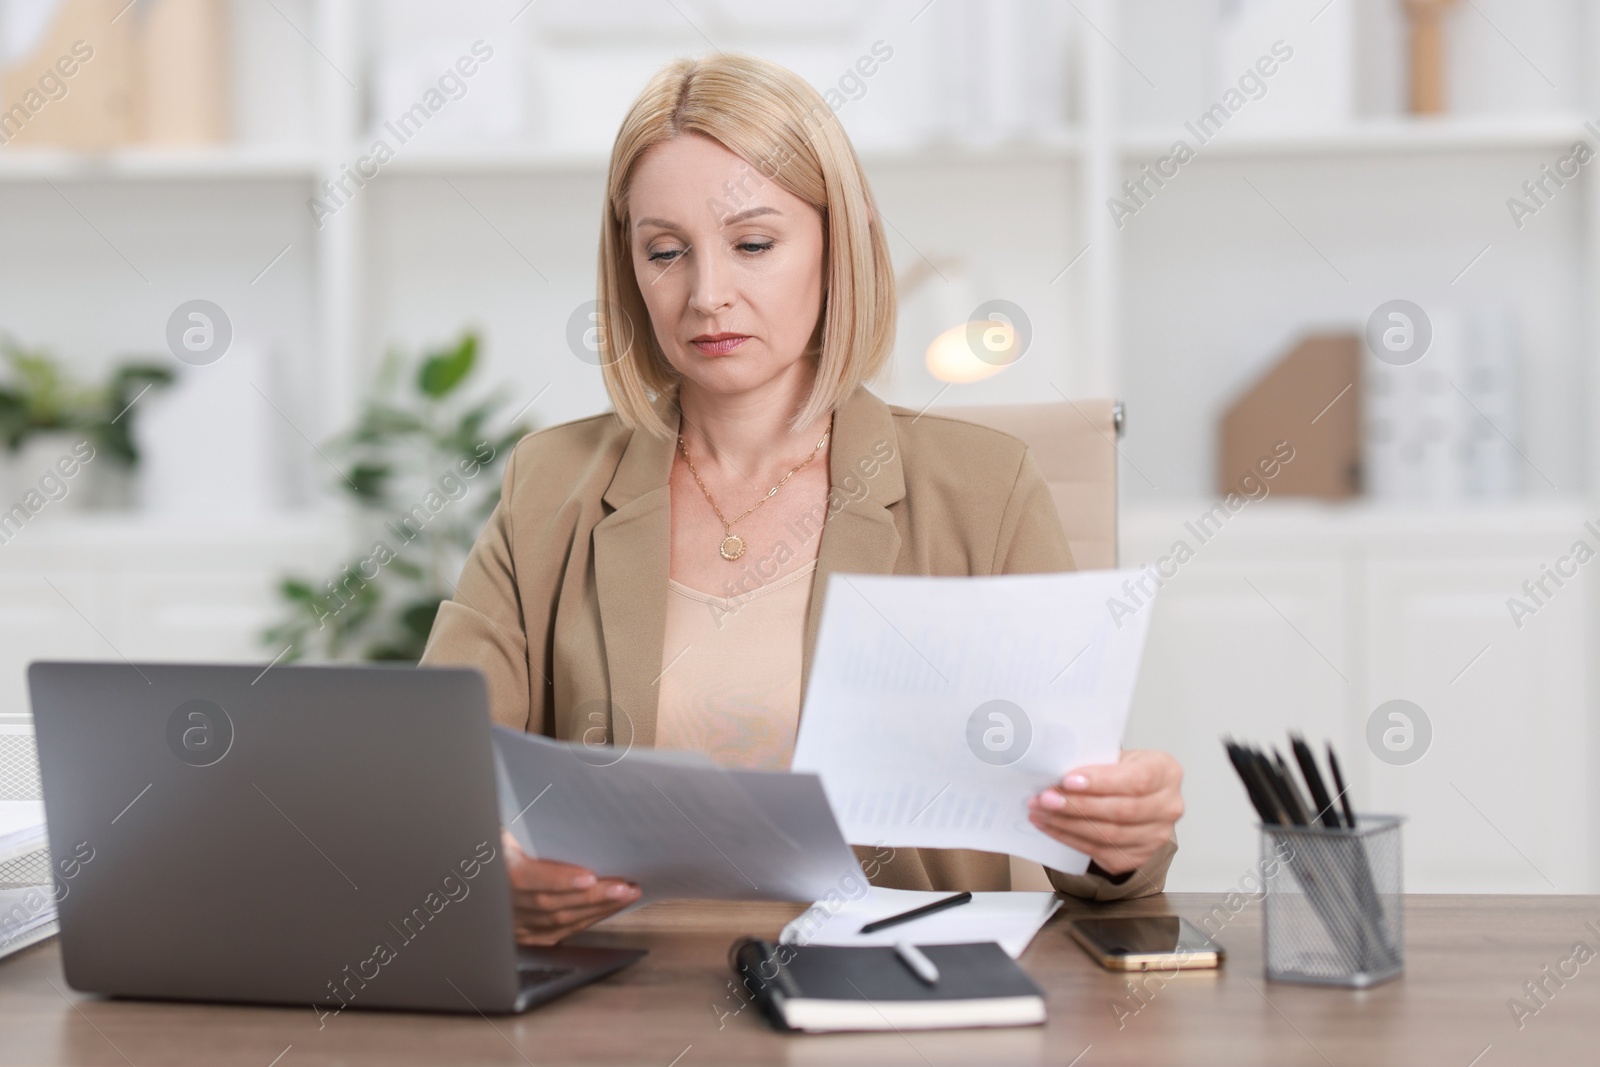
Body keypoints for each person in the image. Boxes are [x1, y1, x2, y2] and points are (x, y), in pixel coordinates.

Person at [420, 53, 1183, 946]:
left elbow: (1090, 864)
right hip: (620, 1002)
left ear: (839, 241)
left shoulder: (986, 489)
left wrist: (1122, 837)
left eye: (753, 244)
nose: (707, 295)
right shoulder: (551, 482)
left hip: (889, 999)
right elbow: (434, 772)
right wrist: (488, 868)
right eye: (665, 253)